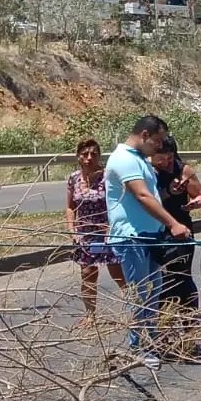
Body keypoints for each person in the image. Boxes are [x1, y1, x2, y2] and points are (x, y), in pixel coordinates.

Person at [104, 115, 193, 370]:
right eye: (158, 140)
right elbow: (142, 196)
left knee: (154, 287)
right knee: (140, 293)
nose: (159, 146)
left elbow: (152, 194)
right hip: (132, 237)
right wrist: (173, 224)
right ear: (144, 135)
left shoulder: (140, 159)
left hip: (148, 235)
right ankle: (137, 348)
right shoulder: (123, 159)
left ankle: (149, 340)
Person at [64, 138, 125, 327]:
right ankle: (90, 315)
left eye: (93, 154)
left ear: (99, 156)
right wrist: (72, 230)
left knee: (117, 272)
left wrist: (112, 228)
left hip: (106, 231)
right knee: (88, 273)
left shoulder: (108, 177)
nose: (89, 158)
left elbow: (118, 203)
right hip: (85, 233)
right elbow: (70, 207)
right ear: (78, 157)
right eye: (85, 154)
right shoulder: (74, 178)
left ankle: (137, 309)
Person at [151, 135, 201, 328]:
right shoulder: (146, 171)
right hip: (154, 230)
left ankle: (189, 324)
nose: (166, 163)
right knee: (158, 279)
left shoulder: (183, 170)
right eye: (161, 158)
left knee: (182, 275)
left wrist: (194, 203)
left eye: (170, 157)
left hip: (181, 228)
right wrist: (168, 192)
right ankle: (160, 324)